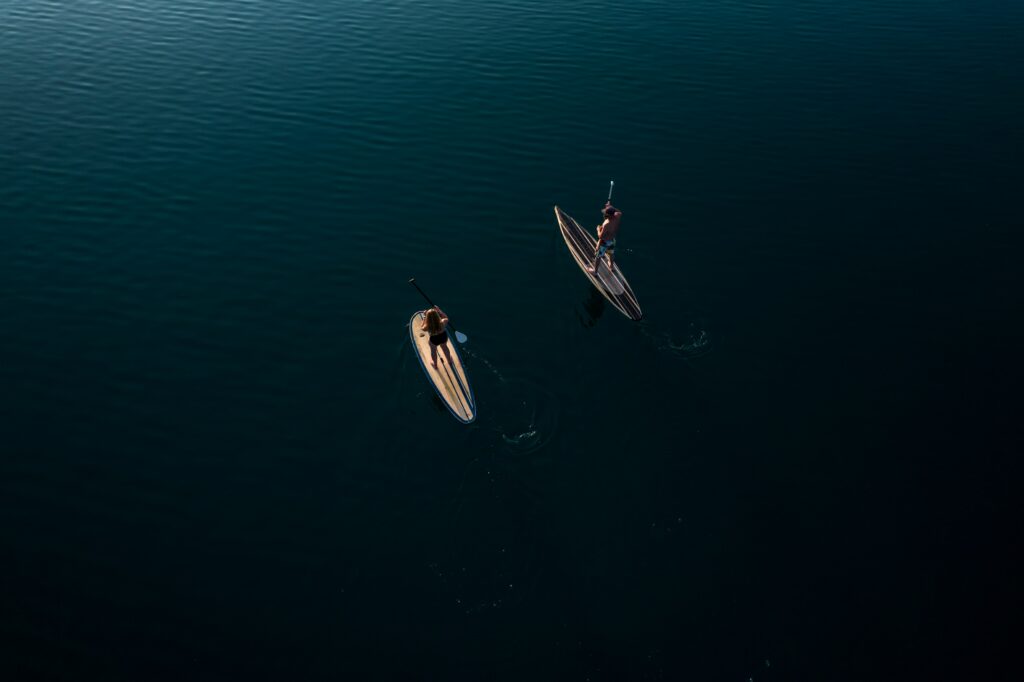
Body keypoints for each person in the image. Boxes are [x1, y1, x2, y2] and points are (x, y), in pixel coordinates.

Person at [588, 201, 621, 273]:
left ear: (608, 215)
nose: (604, 214)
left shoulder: (606, 223)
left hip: (604, 242)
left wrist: (598, 230)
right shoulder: (617, 217)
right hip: (612, 240)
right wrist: (611, 207)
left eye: (606, 213)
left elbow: (601, 236)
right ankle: (611, 266)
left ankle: (595, 271)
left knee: (598, 256)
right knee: (611, 253)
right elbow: (619, 212)